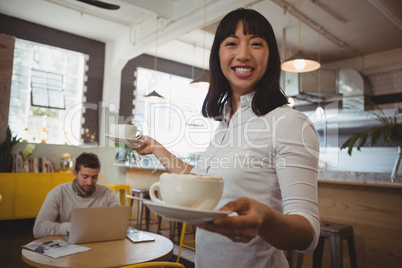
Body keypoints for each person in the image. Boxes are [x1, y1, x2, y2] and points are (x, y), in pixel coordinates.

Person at [131, 8, 320, 267]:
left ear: (271, 56)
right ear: (218, 55)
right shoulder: (226, 123)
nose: (243, 54)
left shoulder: (289, 123)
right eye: (231, 43)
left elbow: (308, 232)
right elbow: (202, 184)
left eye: (256, 44)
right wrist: (157, 148)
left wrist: (266, 219)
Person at [33, 152, 120, 239]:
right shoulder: (57, 193)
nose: (89, 182)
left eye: (94, 177)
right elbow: (39, 229)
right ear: (75, 173)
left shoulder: (108, 194)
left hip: (100, 244)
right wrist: (71, 227)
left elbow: (120, 223)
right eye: (85, 177)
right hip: (68, 248)